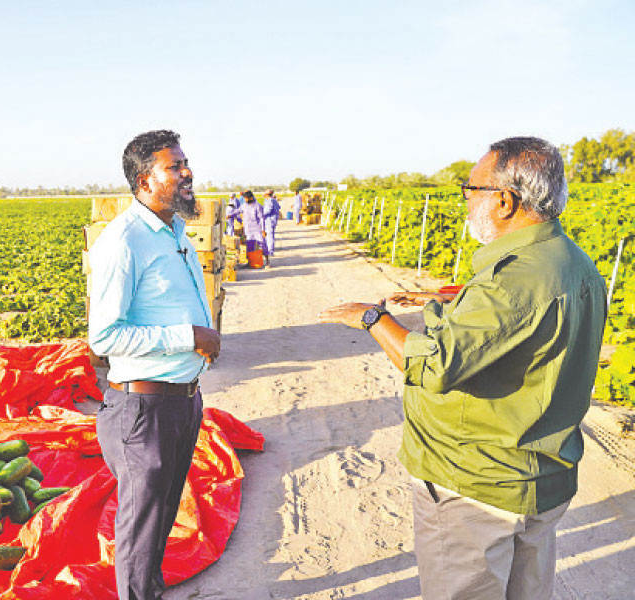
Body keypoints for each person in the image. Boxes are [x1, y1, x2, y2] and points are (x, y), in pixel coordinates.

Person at [317, 136, 607, 600]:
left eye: (471, 190)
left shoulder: (514, 278)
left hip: (476, 487)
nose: (467, 202)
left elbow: (434, 367)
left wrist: (374, 319)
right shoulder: (570, 261)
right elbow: (518, 326)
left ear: (506, 200)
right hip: (536, 478)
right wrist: (447, 300)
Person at [88, 129, 220, 600]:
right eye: (175, 166)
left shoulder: (175, 230)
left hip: (181, 402)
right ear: (144, 181)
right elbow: (103, 336)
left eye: (186, 163)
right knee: (140, 531)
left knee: (162, 514)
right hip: (143, 410)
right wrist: (189, 337)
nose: (187, 173)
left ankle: (150, 591)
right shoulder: (123, 241)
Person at [233, 190, 265, 266]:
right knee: (249, 246)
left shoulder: (257, 206)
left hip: (257, 228)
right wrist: (230, 214)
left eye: (246, 198)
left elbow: (262, 218)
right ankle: (250, 262)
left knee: (261, 245)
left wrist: (263, 229)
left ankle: (264, 261)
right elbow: (238, 211)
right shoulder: (244, 205)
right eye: (244, 198)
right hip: (248, 229)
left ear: (250, 197)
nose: (245, 200)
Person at [262, 189, 280, 263]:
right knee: (270, 235)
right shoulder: (274, 200)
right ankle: (270, 249)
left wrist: (261, 215)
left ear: (267, 195)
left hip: (270, 220)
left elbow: (267, 211)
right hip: (273, 219)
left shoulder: (269, 201)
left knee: (269, 236)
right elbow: (279, 207)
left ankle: (270, 251)